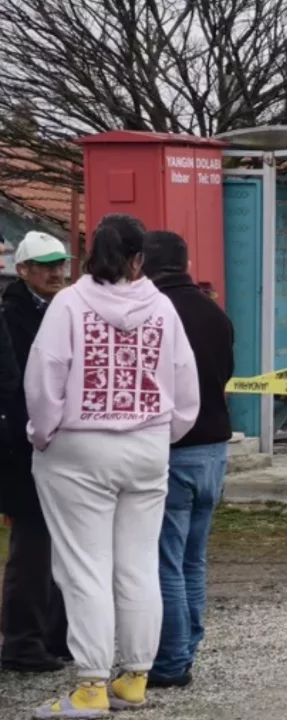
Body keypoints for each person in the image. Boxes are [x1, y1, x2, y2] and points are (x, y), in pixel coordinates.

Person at [26, 214, 200, 718]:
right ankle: (135, 677)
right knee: (139, 565)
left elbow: (44, 378)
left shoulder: (68, 304)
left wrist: (44, 434)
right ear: (139, 257)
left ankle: (90, 685)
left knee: (85, 568)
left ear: (88, 252)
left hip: (79, 447)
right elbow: (185, 383)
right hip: (147, 445)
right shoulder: (163, 307)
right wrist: (164, 433)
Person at [141, 231, 235, 688]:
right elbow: (226, 371)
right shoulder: (213, 312)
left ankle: (171, 661)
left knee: (165, 561)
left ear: (141, 264)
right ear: (187, 262)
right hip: (215, 448)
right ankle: (189, 646)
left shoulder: (152, 312)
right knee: (194, 559)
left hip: (173, 449)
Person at [1, 231, 72, 673]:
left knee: (62, 545)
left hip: (60, 443)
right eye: (45, 265)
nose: (56, 272)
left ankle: (54, 636)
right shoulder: (12, 315)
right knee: (32, 546)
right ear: (23, 269)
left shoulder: (62, 309)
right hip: (24, 447)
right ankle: (22, 641)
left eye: (60, 263)